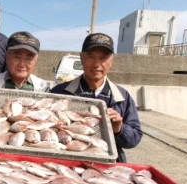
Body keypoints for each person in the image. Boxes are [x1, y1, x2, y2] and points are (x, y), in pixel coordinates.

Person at [51, 33, 142, 163]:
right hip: (68, 163)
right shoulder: (59, 92)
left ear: (111, 61)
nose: (97, 64)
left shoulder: (122, 97)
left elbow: (134, 140)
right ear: (82, 59)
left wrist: (119, 129)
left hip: (109, 166)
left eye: (103, 58)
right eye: (91, 57)